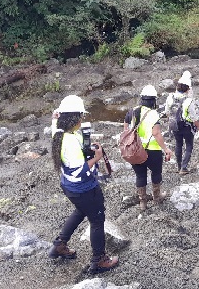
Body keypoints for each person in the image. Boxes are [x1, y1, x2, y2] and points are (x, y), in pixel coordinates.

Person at [48, 95, 119, 274]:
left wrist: (88, 150)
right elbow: (80, 170)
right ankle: (99, 259)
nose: (81, 120)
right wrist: (96, 157)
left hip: (69, 186)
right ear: (72, 119)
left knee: (80, 211)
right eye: (80, 116)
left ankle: (59, 245)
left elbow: (55, 118)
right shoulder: (70, 141)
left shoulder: (58, 131)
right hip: (83, 188)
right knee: (96, 220)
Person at [124, 85, 173, 209]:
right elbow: (156, 133)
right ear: (153, 100)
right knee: (156, 174)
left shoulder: (132, 111)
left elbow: (125, 127)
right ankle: (157, 197)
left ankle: (143, 202)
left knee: (140, 175)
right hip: (153, 151)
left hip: (135, 150)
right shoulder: (153, 114)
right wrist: (166, 149)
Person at [165, 75, 199, 175]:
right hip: (186, 126)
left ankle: (179, 166)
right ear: (187, 89)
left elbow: (167, 112)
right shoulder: (189, 101)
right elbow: (193, 116)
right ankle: (184, 168)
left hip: (174, 125)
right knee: (189, 145)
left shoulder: (170, 97)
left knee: (178, 144)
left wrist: (171, 121)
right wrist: (197, 126)